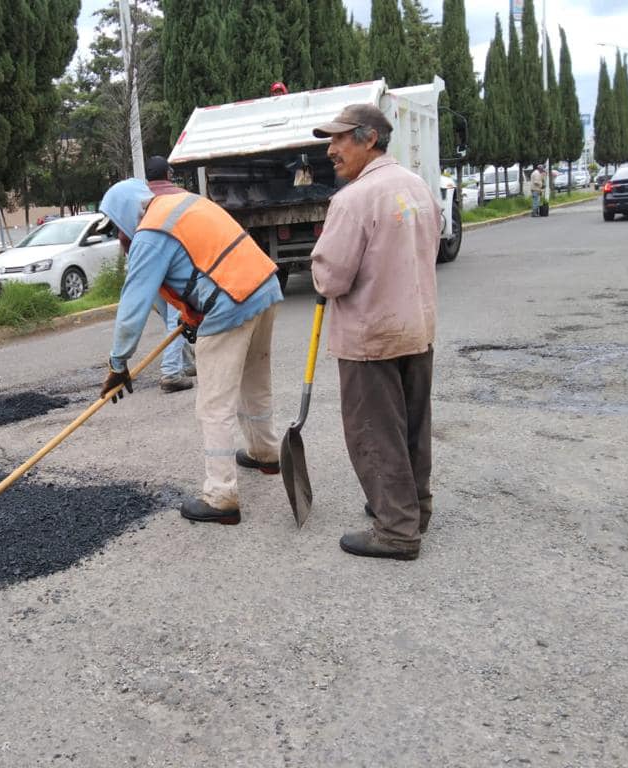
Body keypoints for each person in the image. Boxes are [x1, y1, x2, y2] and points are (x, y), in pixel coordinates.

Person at [98, 178, 283, 525]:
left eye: (115, 226)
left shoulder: (150, 233)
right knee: (254, 383)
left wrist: (118, 363)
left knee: (214, 404)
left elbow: (133, 306)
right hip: (263, 288)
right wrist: (190, 317)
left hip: (230, 304)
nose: (118, 236)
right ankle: (266, 453)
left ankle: (221, 496)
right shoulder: (180, 207)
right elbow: (199, 267)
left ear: (124, 215)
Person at [309, 103, 441, 561]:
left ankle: (397, 531)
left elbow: (331, 279)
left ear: (369, 139)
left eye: (339, 139)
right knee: (411, 425)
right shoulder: (417, 187)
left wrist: (317, 265)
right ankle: (412, 507)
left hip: (371, 336)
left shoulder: (352, 200)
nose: (331, 151)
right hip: (416, 328)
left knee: (375, 431)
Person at [144, 155, 196, 393]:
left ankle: (186, 363)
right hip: (171, 269)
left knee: (175, 320)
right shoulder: (176, 196)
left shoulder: (142, 200)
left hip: (145, 271)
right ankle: (171, 372)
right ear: (168, 175)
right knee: (176, 320)